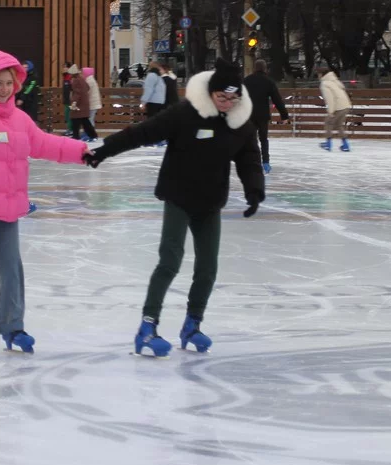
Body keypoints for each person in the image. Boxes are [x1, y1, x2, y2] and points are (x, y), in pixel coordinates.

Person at [83, 58, 265, 357]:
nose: (227, 104)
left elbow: (249, 160)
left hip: (209, 202)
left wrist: (255, 191)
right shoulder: (186, 114)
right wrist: (104, 150)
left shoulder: (240, 124)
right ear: (210, 93)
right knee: (170, 260)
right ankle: (147, 327)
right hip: (178, 195)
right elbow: (142, 132)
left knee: (207, 268)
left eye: (233, 99)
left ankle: (192, 325)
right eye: (222, 97)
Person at [0, 50, 89, 357]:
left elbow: (46, 143)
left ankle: (12, 325)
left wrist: (82, 151)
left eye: (9, 82)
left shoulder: (20, 119)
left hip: (8, 206)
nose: (4, 88)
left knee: (10, 268)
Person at [244, 59, 290, 172]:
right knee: (263, 139)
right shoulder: (268, 82)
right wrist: (284, 116)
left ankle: (251, 161)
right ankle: (265, 162)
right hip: (263, 116)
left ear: (254, 68)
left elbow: (239, 97)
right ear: (265, 69)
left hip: (249, 114)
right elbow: (277, 100)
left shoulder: (246, 81)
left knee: (251, 139)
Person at [316, 65, 352, 154]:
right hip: (346, 105)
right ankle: (345, 145)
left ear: (321, 74)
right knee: (339, 125)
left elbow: (330, 99)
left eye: (318, 74)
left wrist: (330, 112)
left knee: (328, 122)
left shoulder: (325, 84)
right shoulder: (334, 80)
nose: (318, 76)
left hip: (338, 106)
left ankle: (328, 144)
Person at [68, 65, 97, 140]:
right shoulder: (82, 79)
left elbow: (77, 93)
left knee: (75, 119)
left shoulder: (76, 81)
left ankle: (76, 136)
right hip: (84, 103)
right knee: (85, 120)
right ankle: (93, 135)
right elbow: (87, 87)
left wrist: (74, 102)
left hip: (79, 104)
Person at [84, 67, 102, 137]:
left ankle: (90, 134)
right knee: (90, 118)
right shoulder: (91, 80)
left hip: (92, 103)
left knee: (90, 119)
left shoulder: (89, 81)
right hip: (93, 103)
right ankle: (91, 133)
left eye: (83, 72)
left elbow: (87, 91)